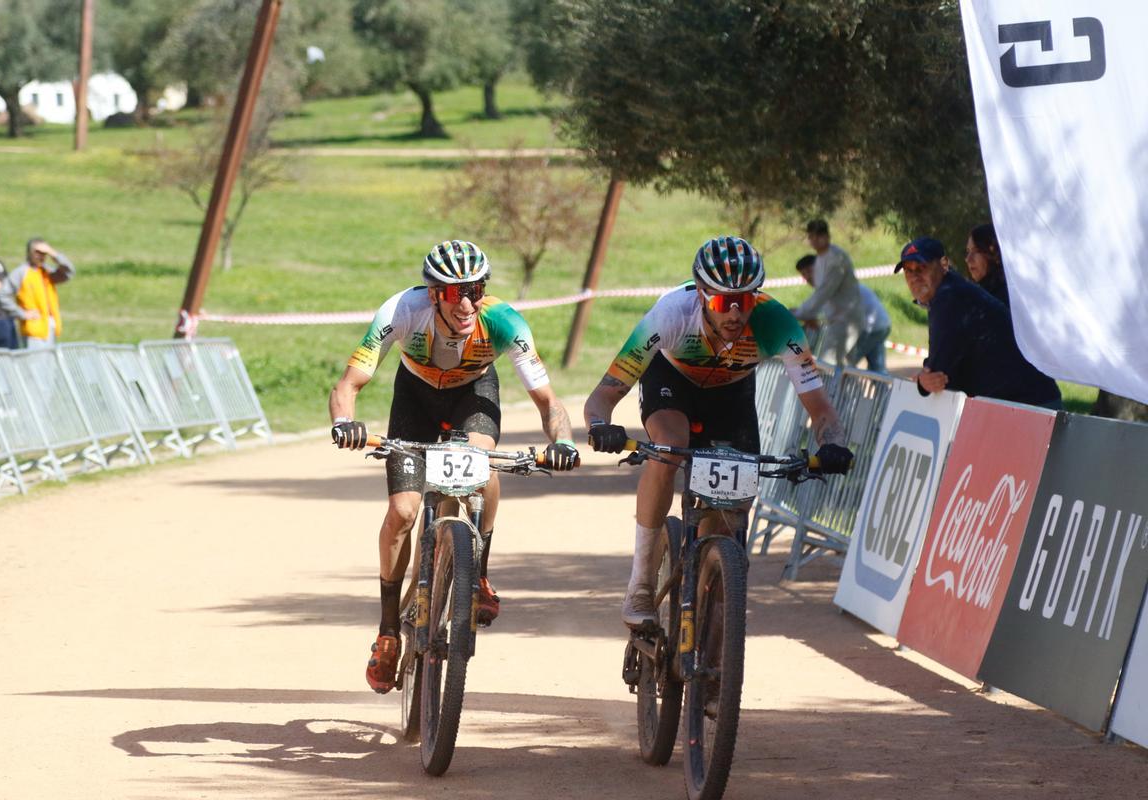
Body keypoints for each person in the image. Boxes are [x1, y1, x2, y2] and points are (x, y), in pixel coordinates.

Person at [329, 239, 580, 693]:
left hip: (474, 396)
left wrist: (562, 441)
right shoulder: (401, 311)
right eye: (452, 292)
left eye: (476, 289)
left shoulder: (504, 322)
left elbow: (547, 400)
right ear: (432, 295)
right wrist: (344, 422)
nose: (466, 303)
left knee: (480, 464)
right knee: (404, 513)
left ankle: (476, 568)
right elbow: (349, 382)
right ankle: (388, 632)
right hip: (415, 397)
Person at [584, 236, 854, 628]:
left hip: (731, 392)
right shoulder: (671, 315)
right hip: (672, 382)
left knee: (729, 515)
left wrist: (833, 445)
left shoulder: (777, 323)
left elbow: (821, 409)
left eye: (743, 301)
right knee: (669, 449)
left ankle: (710, 605)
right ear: (699, 294)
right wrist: (599, 426)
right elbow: (604, 395)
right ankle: (640, 583)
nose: (732, 312)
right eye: (720, 301)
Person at [896, 237, 1061, 409]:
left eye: (922, 268)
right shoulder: (951, 290)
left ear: (944, 265)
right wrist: (926, 378)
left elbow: (939, 375)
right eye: (908, 270)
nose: (915, 277)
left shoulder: (948, 296)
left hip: (1028, 406)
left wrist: (923, 381)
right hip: (1027, 401)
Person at [795, 255, 891, 373]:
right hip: (880, 324)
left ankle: (849, 391)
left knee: (842, 365)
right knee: (877, 370)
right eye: (804, 274)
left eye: (810, 271)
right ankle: (879, 390)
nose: (808, 277)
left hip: (868, 327)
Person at [792, 219, 864, 366]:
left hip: (846, 321)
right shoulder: (820, 260)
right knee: (844, 369)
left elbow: (824, 291)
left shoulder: (836, 259)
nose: (816, 239)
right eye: (813, 236)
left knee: (827, 364)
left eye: (820, 235)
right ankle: (850, 389)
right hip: (836, 320)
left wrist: (801, 312)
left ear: (827, 236)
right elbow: (822, 293)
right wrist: (808, 313)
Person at [4, 238, 75, 349]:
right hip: (32, 331)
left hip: (49, 329)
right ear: (29, 253)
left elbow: (69, 272)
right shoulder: (22, 272)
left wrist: (53, 253)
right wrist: (22, 314)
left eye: (43, 253)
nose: (41, 256)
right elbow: (1, 295)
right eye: (37, 252)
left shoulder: (46, 272)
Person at [964, 222, 1009, 306]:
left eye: (976, 251)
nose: (968, 259)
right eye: (968, 251)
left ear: (993, 253)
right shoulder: (977, 296)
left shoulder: (1007, 295)